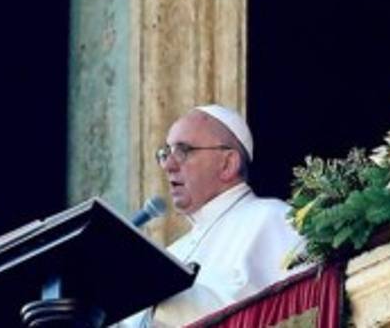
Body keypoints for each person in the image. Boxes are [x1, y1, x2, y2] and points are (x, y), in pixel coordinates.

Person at [124, 104, 305, 327]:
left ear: (228, 164)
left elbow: (283, 313)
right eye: (165, 153)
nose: (168, 165)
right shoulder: (172, 253)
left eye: (183, 150)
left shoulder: (274, 219)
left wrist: (160, 291)